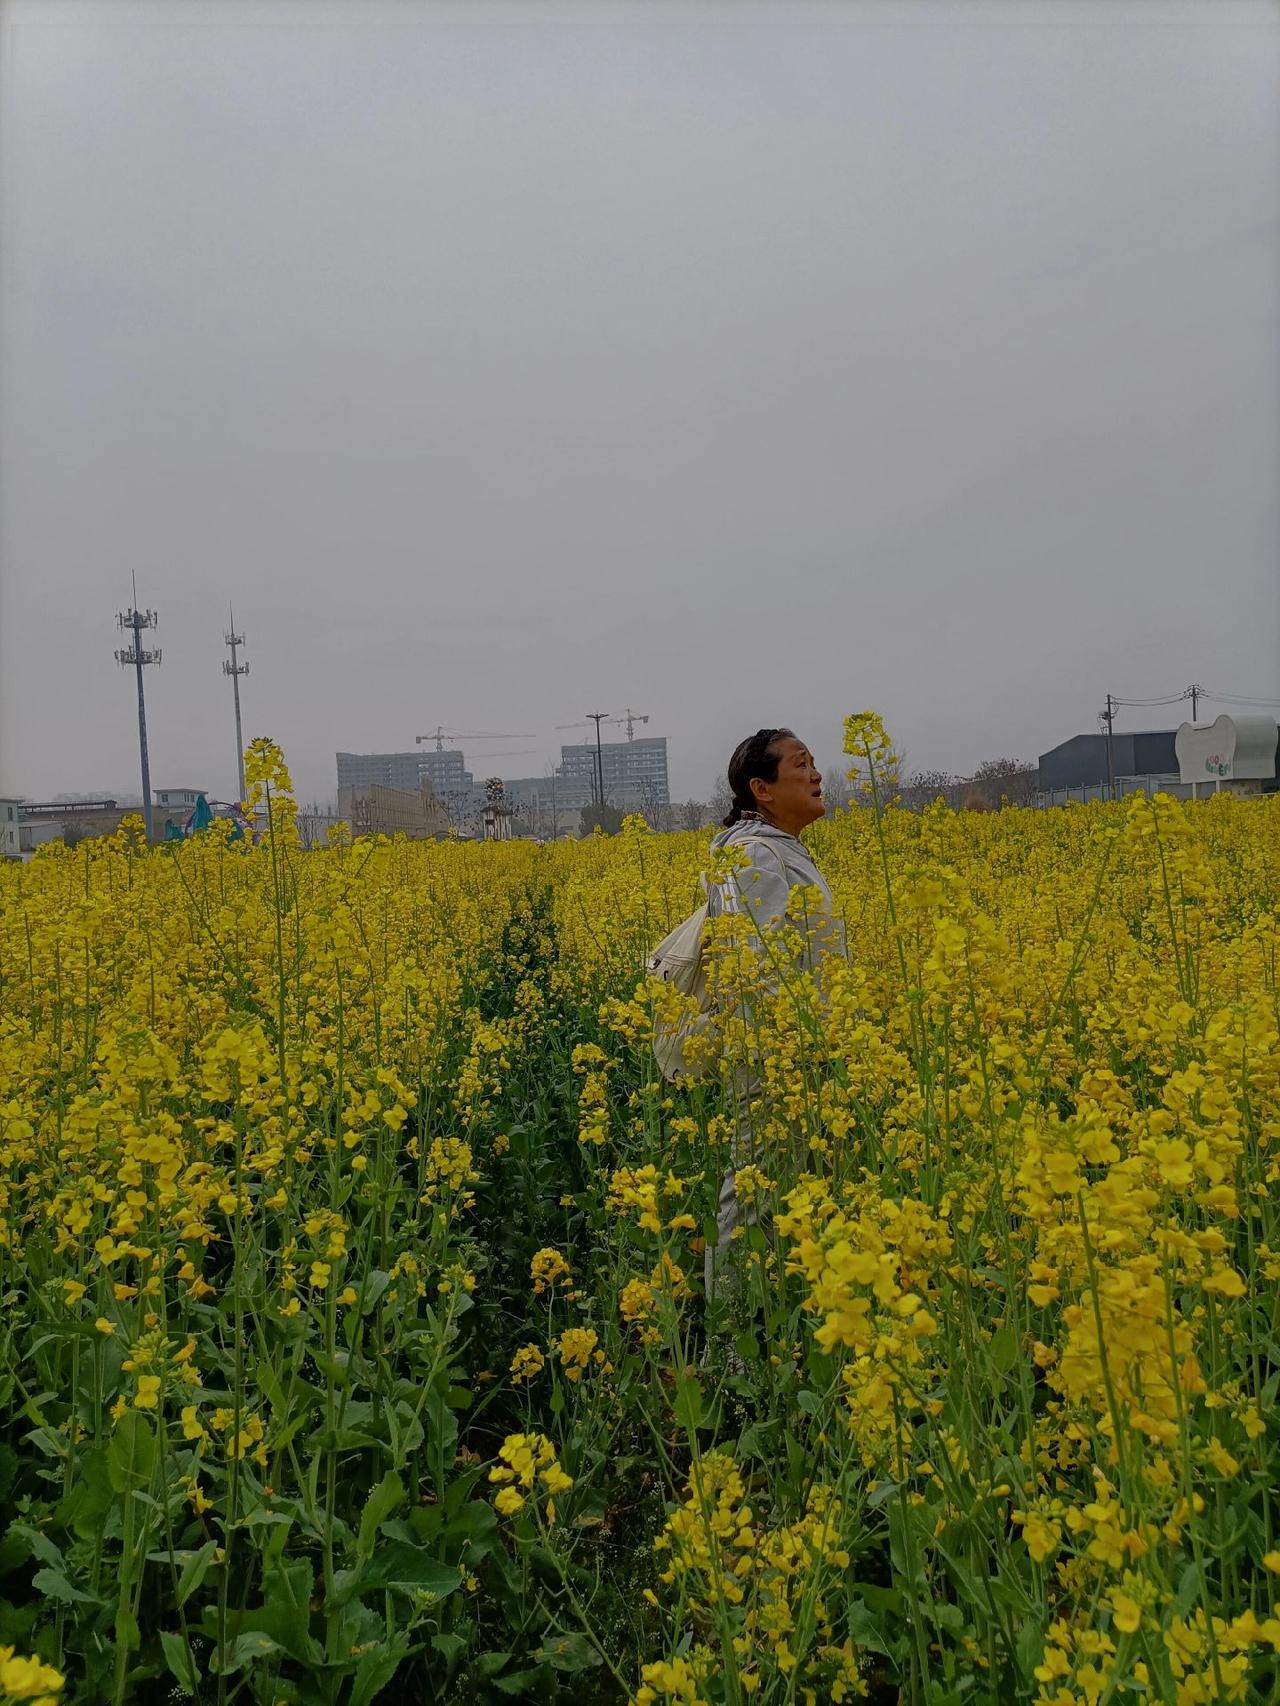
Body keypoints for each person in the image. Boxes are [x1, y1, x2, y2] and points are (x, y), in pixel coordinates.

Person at [702, 728, 845, 1307]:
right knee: (752, 1192)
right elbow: (753, 962)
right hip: (775, 1053)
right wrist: (792, 1047)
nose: (816, 775)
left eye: (814, 763)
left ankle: (784, 1313)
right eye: (801, 765)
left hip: (799, 1046)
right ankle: (730, 1334)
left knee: (789, 1188)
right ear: (762, 789)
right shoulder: (754, 854)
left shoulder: (774, 848)